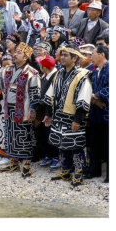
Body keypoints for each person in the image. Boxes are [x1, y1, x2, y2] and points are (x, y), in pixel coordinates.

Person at [0, 42, 41, 178]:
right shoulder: (7, 70)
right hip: (8, 108)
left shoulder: (32, 73)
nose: (15, 54)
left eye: (18, 53)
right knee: (10, 135)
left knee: (24, 136)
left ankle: (27, 165)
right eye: (15, 51)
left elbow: (35, 94)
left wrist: (33, 110)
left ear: (26, 57)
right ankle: (13, 163)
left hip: (23, 109)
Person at [42, 44, 92, 187]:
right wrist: (48, 114)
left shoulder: (82, 75)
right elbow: (50, 95)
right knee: (62, 145)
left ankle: (78, 172)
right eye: (61, 54)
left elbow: (84, 97)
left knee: (76, 145)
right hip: (59, 115)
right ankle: (65, 170)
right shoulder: (58, 73)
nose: (62, 57)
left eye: (65, 55)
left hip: (73, 117)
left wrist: (78, 119)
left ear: (75, 58)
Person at [87, 45, 109, 182]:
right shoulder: (95, 72)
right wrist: (95, 100)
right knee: (94, 143)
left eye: (93, 54)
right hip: (96, 111)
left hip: (107, 111)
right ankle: (94, 170)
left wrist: (97, 96)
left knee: (108, 144)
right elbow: (90, 91)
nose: (90, 57)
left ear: (102, 55)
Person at [34, 55, 59, 168]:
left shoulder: (56, 76)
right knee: (43, 134)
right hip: (42, 110)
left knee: (51, 134)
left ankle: (56, 157)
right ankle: (47, 155)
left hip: (52, 110)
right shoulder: (44, 76)